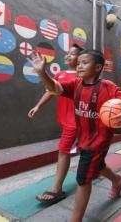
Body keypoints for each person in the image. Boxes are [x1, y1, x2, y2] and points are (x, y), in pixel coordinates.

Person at [27, 49, 121, 222]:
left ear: (97, 67)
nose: (79, 65)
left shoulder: (107, 87)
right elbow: (54, 88)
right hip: (83, 138)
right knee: (98, 166)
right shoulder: (76, 84)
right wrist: (42, 73)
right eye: (79, 62)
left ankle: (75, 219)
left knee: (83, 178)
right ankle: (117, 180)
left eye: (84, 62)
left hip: (99, 140)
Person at [28, 44, 83, 204]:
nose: (68, 56)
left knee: (63, 151)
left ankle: (56, 188)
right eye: (67, 53)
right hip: (65, 120)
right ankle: (104, 171)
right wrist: (38, 106)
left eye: (72, 54)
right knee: (86, 150)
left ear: (81, 59)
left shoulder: (82, 77)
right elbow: (50, 90)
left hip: (75, 121)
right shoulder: (60, 74)